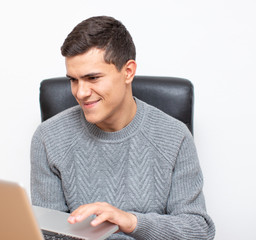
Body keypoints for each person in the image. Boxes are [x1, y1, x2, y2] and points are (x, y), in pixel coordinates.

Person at [31, 16, 215, 239]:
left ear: (128, 71)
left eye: (93, 78)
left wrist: (130, 222)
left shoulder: (175, 137)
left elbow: (198, 230)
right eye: (73, 79)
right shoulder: (48, 138)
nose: (80, 92)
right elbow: (48, 233)